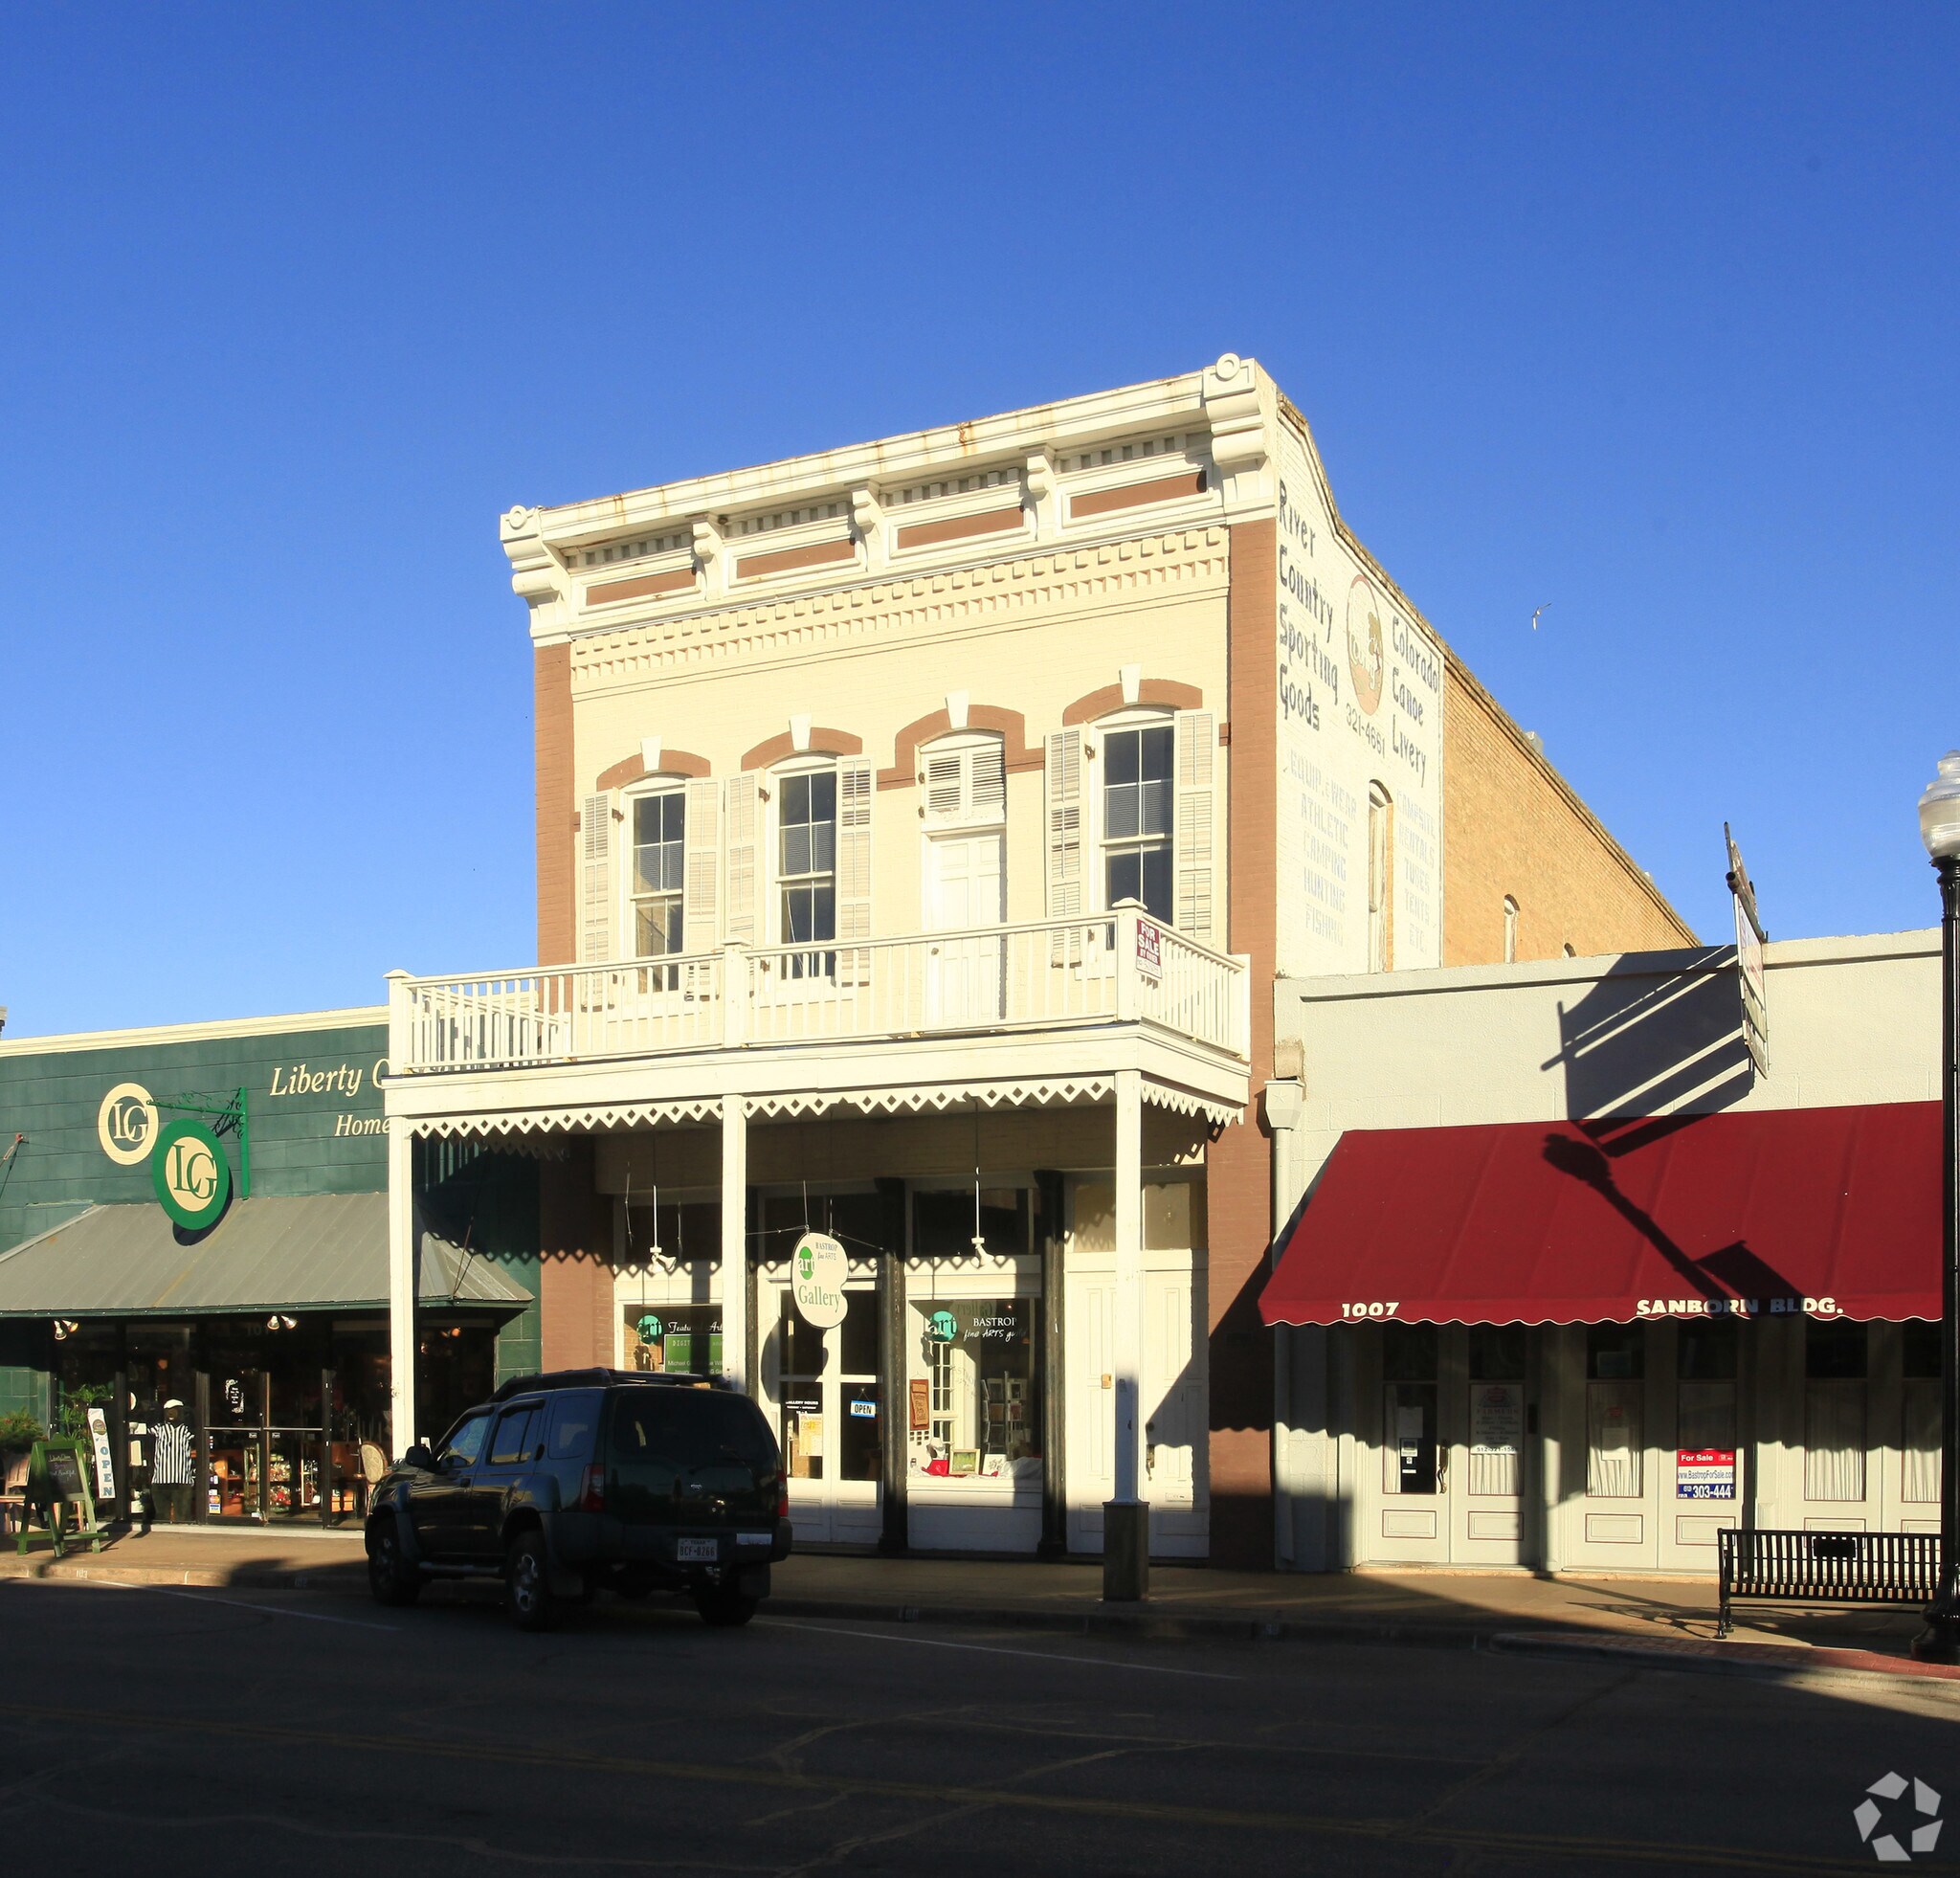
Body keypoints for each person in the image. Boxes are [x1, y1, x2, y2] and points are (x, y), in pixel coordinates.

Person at [150, 1399, 194, 1524]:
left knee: (183, 1517)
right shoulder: (159, 1428)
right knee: (161, 1516)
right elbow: (148, 1425)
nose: (171, 1413)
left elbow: (196, 1426)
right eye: (168, 1411)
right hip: (161, 1478)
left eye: (175, 1410)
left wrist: (189, 1412)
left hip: (182, 1479)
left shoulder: (187, 1430)